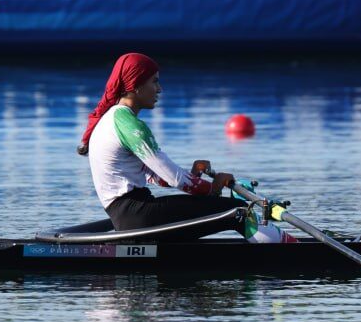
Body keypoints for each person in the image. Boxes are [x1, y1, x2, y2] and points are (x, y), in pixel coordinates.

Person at [79, 53, 293, 243]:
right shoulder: (127, 124)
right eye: (154, 82)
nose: (159, 89)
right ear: (135, 85)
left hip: (129, 217)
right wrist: (213, 188)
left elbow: (157, 178)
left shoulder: (110, 120)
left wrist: (194, 176)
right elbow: (174, 179)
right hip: (139, 216)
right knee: (237, 212)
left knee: (220, 208)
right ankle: (290, 251)